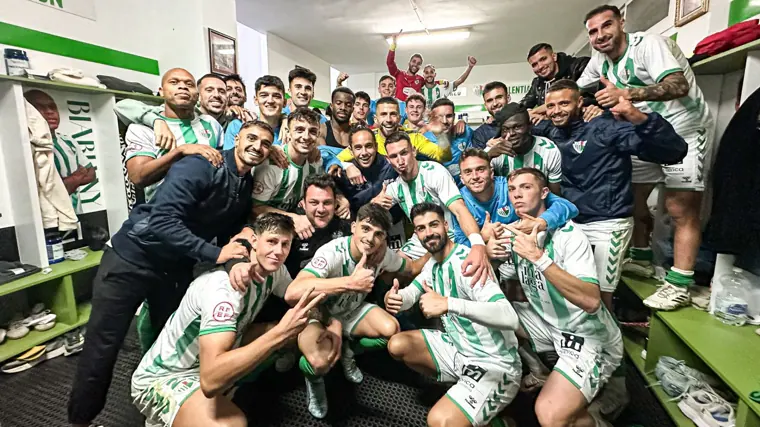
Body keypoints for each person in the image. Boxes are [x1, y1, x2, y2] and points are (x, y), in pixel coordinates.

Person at [67, 120, 276, 427]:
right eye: (251, 138)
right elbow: (161, 222)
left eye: (265, 143)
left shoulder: (244, 182)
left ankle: (160, 411)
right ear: (237, 138)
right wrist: (216, 254)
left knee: (171, 343)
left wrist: (238, 253)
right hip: (131, 259)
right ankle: (80, 422)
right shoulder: (201, 165)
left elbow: (231, 231)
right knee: (103, 347)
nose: (257, 146)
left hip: (174, 268)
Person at [577, 5, 714, 310]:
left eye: (606, 26)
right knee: (634, 198)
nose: (600, 35)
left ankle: (679, 283)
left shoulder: (648, 45)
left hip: (683, 130)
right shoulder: (600, 59)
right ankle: (642, 259)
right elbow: (575, 89)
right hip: (641, 132)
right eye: (593, 31)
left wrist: (627, 94)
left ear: (622, 23)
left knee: (680, 206)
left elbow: (679, 85)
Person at [131, 214, 325, 427]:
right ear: (254, 241)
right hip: (167, 376)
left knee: (295, 331)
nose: (278, 251)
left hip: (213, 357)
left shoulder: (275, 271)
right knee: (233, 424)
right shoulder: (224, 290)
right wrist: (279, 334)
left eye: (285, 244)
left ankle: (204, 404)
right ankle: (167, 413)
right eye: (271, 241)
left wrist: (329, 304)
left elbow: (294, 293)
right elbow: (210, 380)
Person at [533, 79, 687, 311]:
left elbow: (673, 151)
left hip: (607, 224)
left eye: (564, 103)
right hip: (571, 224)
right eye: (551, 106)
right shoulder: (552, 131)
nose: (556, 111)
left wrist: (635, 115)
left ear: (580, 103)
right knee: (570, 290)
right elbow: (515, 125)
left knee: (600, 298)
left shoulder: (605, 127)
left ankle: (609, 345)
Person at [503, 168, 622, 427]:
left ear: (545, 192)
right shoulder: (518, 234)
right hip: (549, 325)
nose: (517, 195)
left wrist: (539, 258)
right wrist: (489, 252)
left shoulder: (570, 236)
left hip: (587, 335)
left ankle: (599, 414)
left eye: (526, 187)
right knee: (493, 316)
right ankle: (544, 373)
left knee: (550, 414)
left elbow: (591, 301)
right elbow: (505, 285)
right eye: (512, 189)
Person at [285, 203, 427, 419]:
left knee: (391, 329)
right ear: (354, 227)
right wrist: (350, 283)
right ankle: (314, 384)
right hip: (319, 315)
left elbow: (412, 268)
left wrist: (439, 252)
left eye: (379, 234)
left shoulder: (382, 255)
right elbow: (292, 293)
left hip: (352, 309)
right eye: (366, 229)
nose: (370, 238)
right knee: (319, 362)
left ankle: (349, 349)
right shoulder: (332, 251)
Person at [386, 202, 521, 427]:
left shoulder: (468, 263)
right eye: (421, 228)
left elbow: (509, 317)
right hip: (457, 348)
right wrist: (395, 299)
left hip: (495, 363)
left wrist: (449, 304)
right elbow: (411, 293)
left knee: (439, 422)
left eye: (433, 225)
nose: (428, 233)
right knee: (398, 345)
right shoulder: (433, 263)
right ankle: (462, 388)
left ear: (446, 225)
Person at [370, 132, 492, 286]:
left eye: (404, 153)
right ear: (388, 159)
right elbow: (370, 213)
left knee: (416, 271)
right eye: (394, 156)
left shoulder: (433, 172)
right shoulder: (395, 187)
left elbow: (459, 209)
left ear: (413, 151)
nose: (400, 160)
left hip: (447, 236)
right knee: (387, 276)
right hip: (420, 239)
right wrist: (375, 203)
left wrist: (478, 244)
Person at [121, 69, 224, 203]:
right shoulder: (142, 128)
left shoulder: (211, 123)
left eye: (189, 84)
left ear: (197, 95)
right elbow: (138, 177)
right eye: (174, 82)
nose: (183, 86)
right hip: (163, 211)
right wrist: (179, 152)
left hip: (208, 211)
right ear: (161, 91)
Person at [252, 108, 350, 239]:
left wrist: (340, 198)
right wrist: (293, 218)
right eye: (299, 130)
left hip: (290, 228)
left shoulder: (315, 160)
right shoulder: (272, 164)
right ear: (288, 132)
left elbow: (325, 183)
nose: (306, 137)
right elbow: (254, 210)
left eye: (312, 131)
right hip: (261, 231)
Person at [454, 148, 577, 246]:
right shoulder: (459, 201)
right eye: (468, 172)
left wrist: (542, 222)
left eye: (480, 169)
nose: (475, 176)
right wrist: (481, 238)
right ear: (462, 179)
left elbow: (567, 206)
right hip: (493, 259)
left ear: (491, 173)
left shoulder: (512, 187)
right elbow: (459, 245)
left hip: (525, 249)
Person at [24, 89, 96, 213]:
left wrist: (66, 184)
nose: (50, 112)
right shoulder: (27, 145)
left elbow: (91, 174)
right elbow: (49, 193)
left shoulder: (68, 141)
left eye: (52, 107)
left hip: (76, 213)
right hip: (48, 220)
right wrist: (77, 176)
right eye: (40, 107)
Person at [336, 97, 452, 169]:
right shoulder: (368, 139)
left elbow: (444, 157)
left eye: (392, 114)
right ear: (376, 119)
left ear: (398, 117)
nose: (388, 119)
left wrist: (441, 135)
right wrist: (348, 166)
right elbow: (337, 159)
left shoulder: (413, 138)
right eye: (383, 114)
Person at [284, 174, 352, 277]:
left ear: (335, 203)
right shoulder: (289, 227)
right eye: (314, 202)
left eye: (327, 203)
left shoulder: (345, 226)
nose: (321, 209)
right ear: (303, 204)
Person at [487, 103, 562, 194]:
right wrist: (488, 156)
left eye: (517, 127)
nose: (511, 134)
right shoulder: (494, 150)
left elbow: (555, 196)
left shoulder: (548, 151)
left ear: (529, 125)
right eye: (505, 129)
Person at [335, 126, 398, 214]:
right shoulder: (342, 174)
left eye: (368, 146)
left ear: (376, 146)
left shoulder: (392, 167)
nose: (364, 152)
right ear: (350, 150)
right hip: (357, 223)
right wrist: (339, 197)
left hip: (392, 223)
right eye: (358, 148)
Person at [520, 43, 591, 110]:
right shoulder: (537, 83)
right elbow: (522, 106)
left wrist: (536, 111)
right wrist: (529, 113)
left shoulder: (578, 66)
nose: (540, 66)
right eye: (534, 64)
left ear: (554, 56)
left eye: (543, 59)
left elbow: (586, 96)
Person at [426, 98, 473, 185]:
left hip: (466, 189)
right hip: (439, 191)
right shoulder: (425, 140)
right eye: (439, 117)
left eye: (449, 116)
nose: (445, 121)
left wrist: (462, 121)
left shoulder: (465, 131)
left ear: (454, 116)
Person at [386, 30, 425, 101]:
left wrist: (443, 82)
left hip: (413, 109)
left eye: (419, 63)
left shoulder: (420, 79)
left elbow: (430, 82)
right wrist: (393, 44)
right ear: (409, 63)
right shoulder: (399, 74)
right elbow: (389, 62)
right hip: (399, 109)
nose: (415, 64)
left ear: (420, 67)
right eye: (414, 61)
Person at [472, 81, 511, 150]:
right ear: (485, 106)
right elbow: (477, 159)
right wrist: (488, 150)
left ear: (508, 98)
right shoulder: (480, 134)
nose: (495, 103)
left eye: (499, 97)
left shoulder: (524, 122)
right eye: (489, 100)